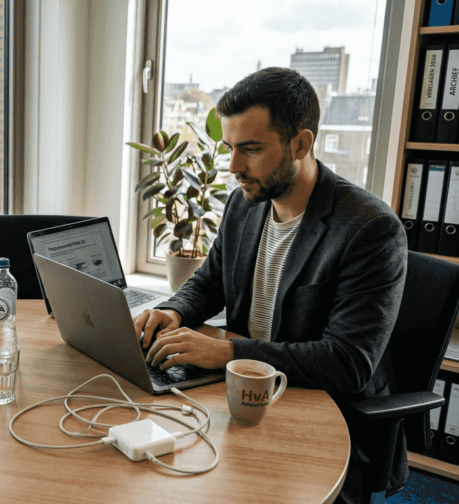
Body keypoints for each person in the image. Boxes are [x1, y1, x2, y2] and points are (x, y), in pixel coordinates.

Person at [133, 68, 407, 504]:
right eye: (229, 149)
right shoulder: (247, 202)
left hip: (320, 421)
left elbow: (348, 363)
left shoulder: (370, 230)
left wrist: (227, 352)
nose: (233, 167)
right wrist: (174, 312)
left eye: (251, 149)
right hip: (241, 402)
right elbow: (210, 280)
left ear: (301, 143)